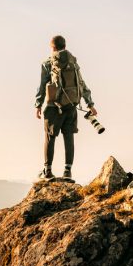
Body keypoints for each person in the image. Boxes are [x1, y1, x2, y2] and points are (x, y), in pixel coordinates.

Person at [34, 35, 97, 180]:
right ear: (65, 46)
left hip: (53, 107)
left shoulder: (48, 63)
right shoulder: (73, 63)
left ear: (53, 47)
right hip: (71, 106)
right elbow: (81, 83)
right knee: (69, 138)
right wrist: (90, 104)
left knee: (50, 138)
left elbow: (42, 85)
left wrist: (38, 104)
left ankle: (47, 171)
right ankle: (67, 172)